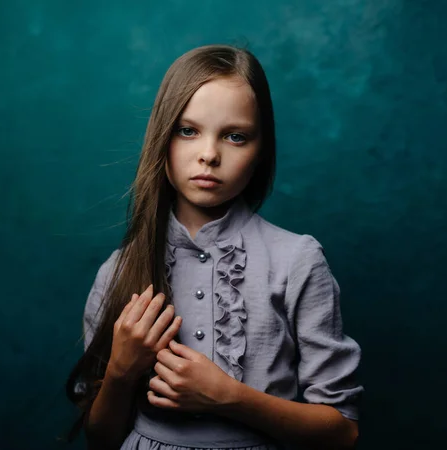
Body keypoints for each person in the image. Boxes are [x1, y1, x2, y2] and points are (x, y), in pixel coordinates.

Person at [66, 44, 364, 450]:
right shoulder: (119, 271)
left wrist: (231, 398)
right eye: (187, 130)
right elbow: (101, 440)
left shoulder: (297, 261)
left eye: (235, 136)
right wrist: (120, 370)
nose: (209, 155)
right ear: (161, 139)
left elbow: (342, 432)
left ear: (261, 151)